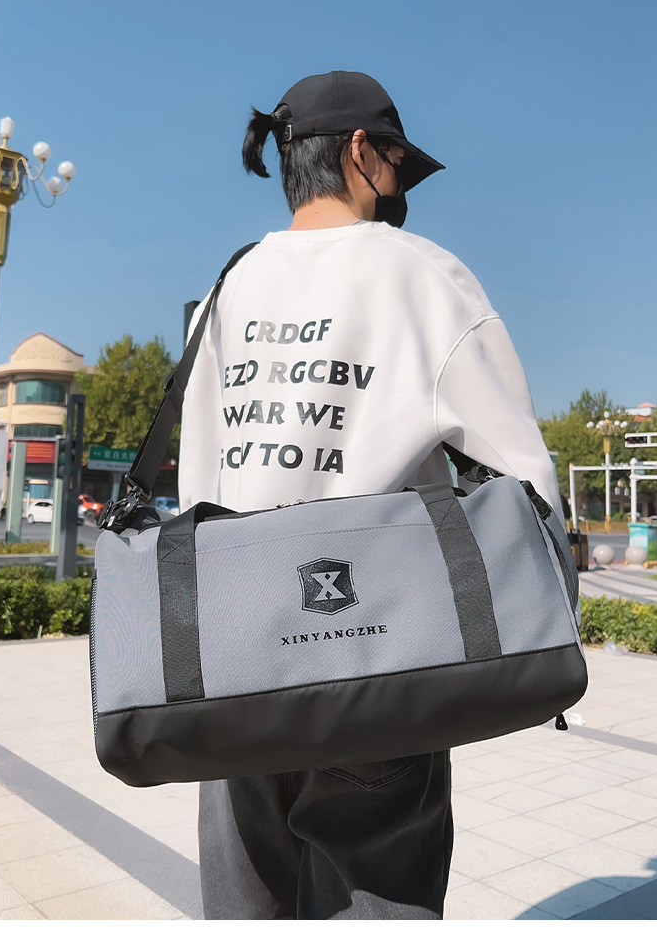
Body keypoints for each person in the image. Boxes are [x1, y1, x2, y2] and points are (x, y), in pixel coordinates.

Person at [178, 70, 561, 920]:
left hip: (235, 661)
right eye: (396, 161)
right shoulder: (421, 276)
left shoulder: (228, 286)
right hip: (371, 656)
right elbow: (522, 478)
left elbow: (199, 481)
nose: (399, 185)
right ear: (361, 152)